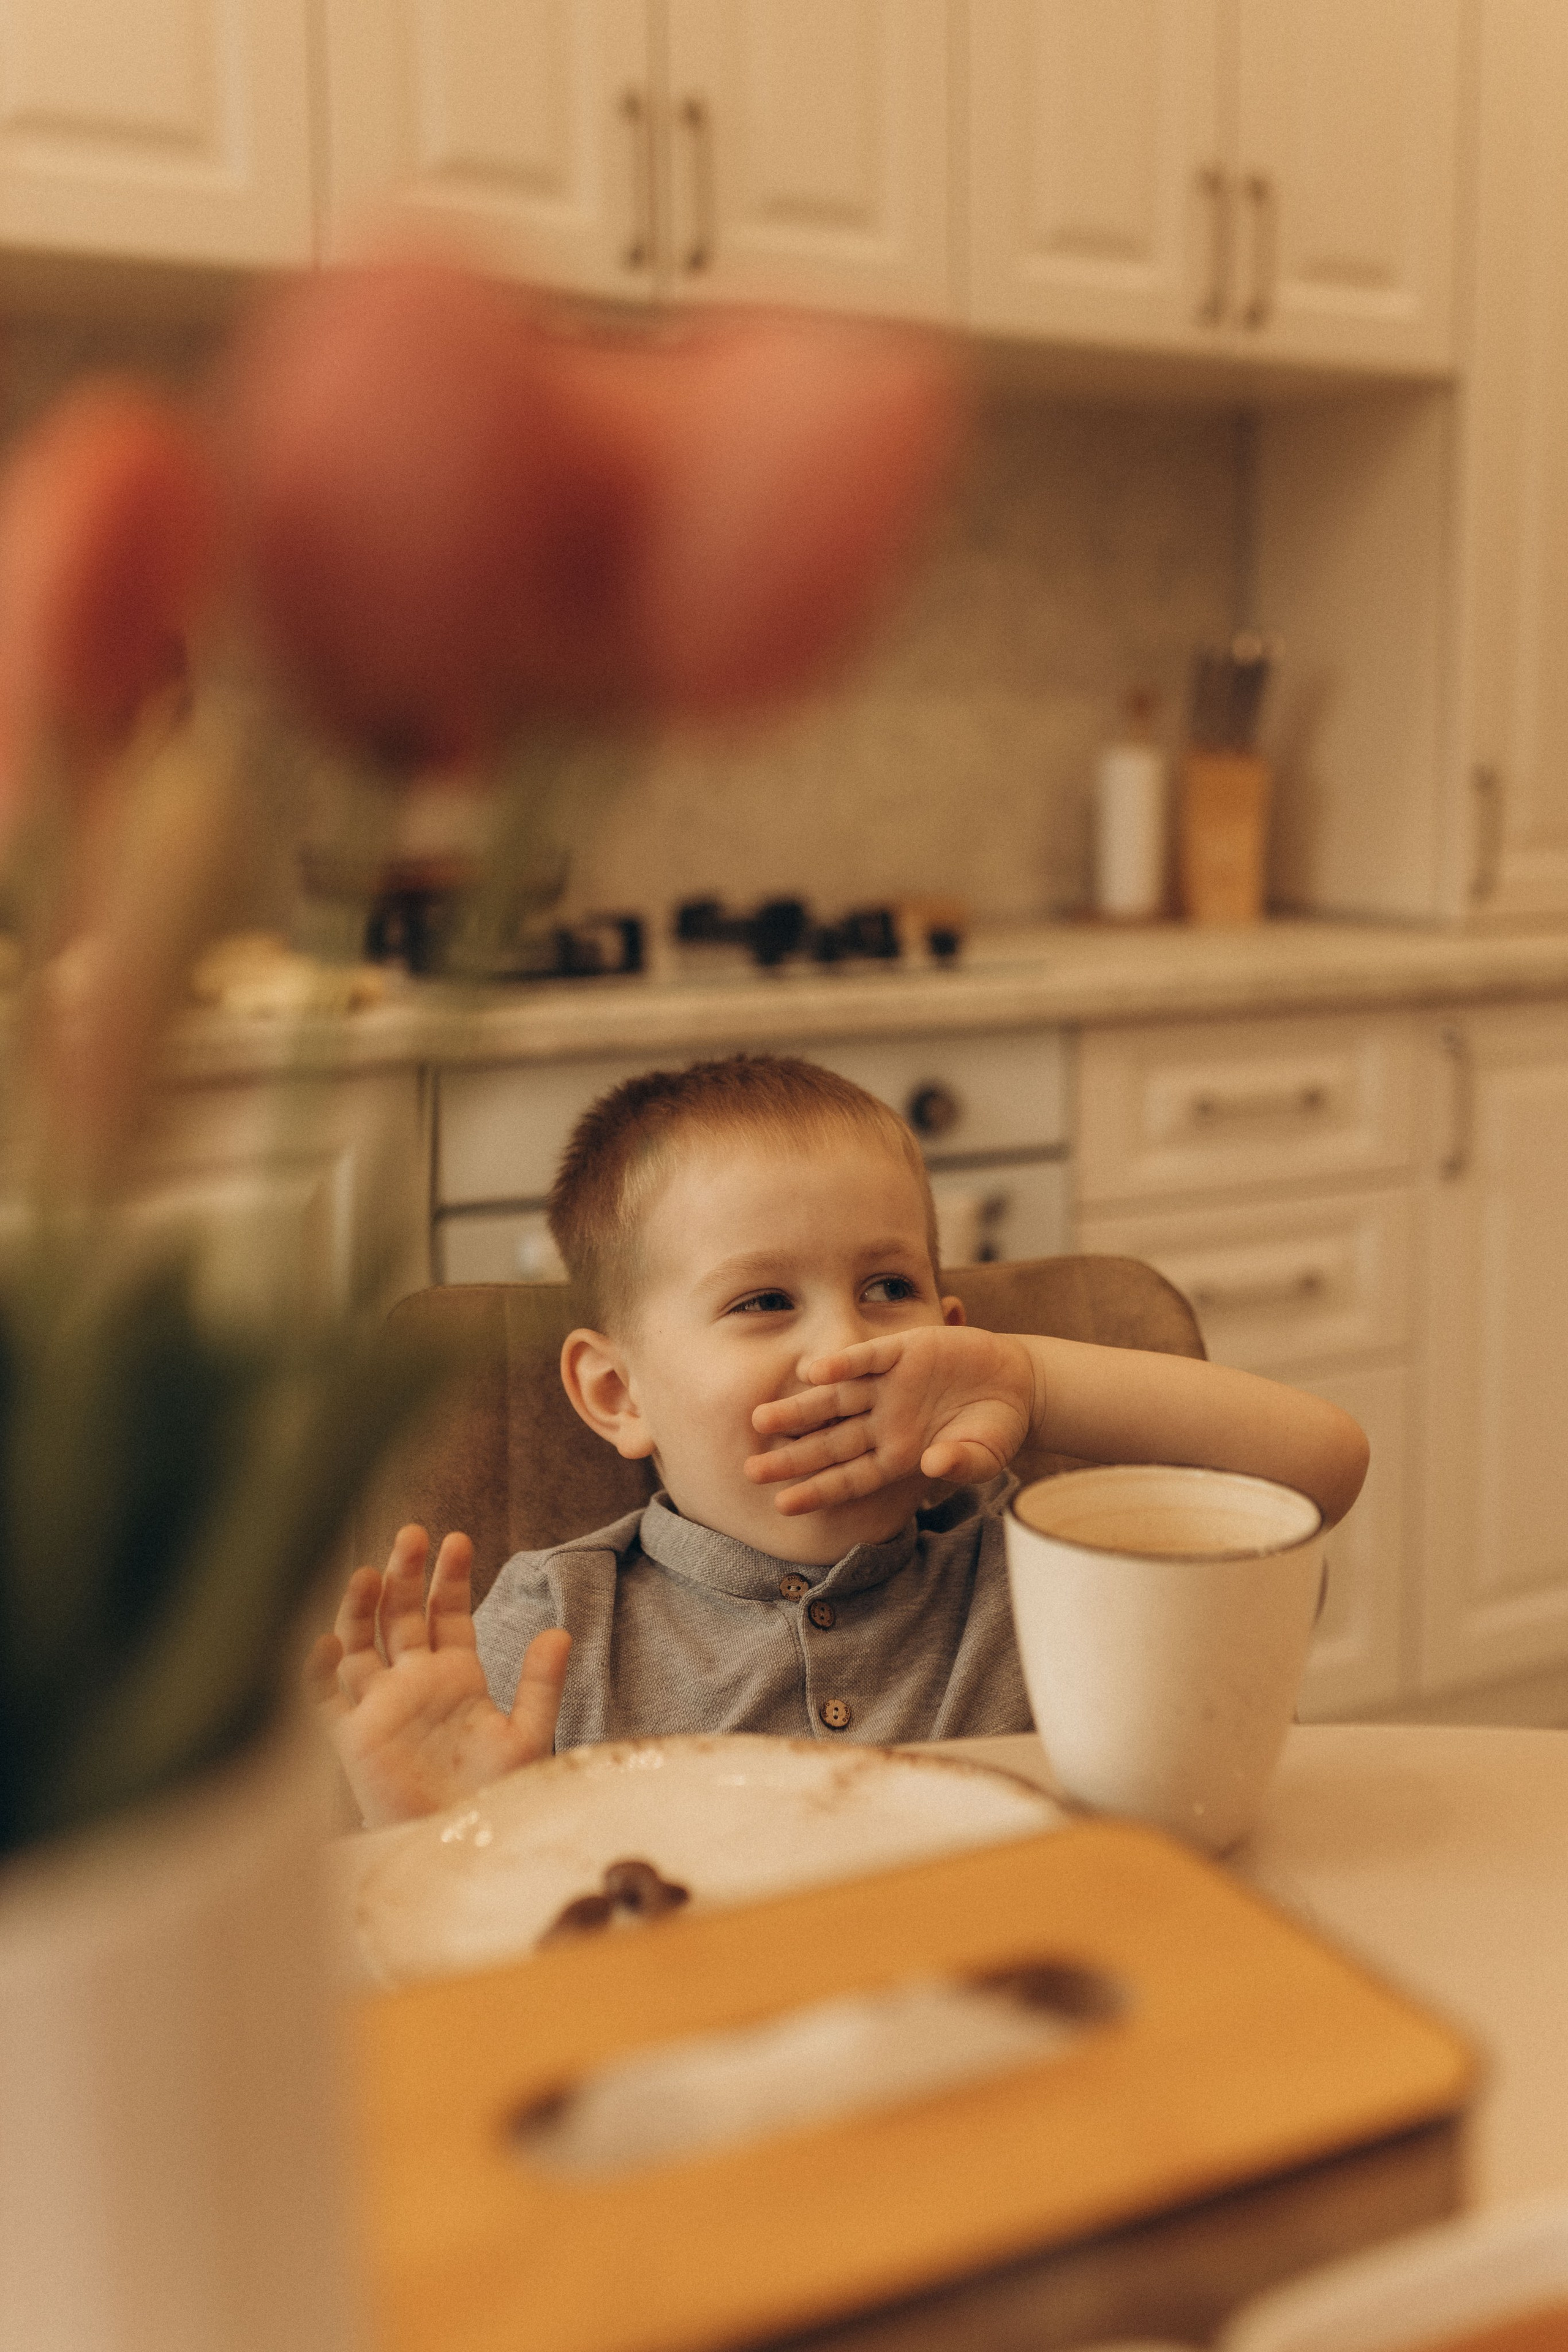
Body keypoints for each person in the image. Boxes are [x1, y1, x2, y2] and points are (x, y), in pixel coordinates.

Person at [309, 1055, 1369, 1828]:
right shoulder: (552, 1633)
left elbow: (1317, 1473)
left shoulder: (1038, 1576)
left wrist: (1031, 1382)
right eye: (766, 1300)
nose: (844, 1346)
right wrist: (438, 1834)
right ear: (617, 1390)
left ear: (955, 1339)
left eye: (888, 1288)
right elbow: (479, 1942)